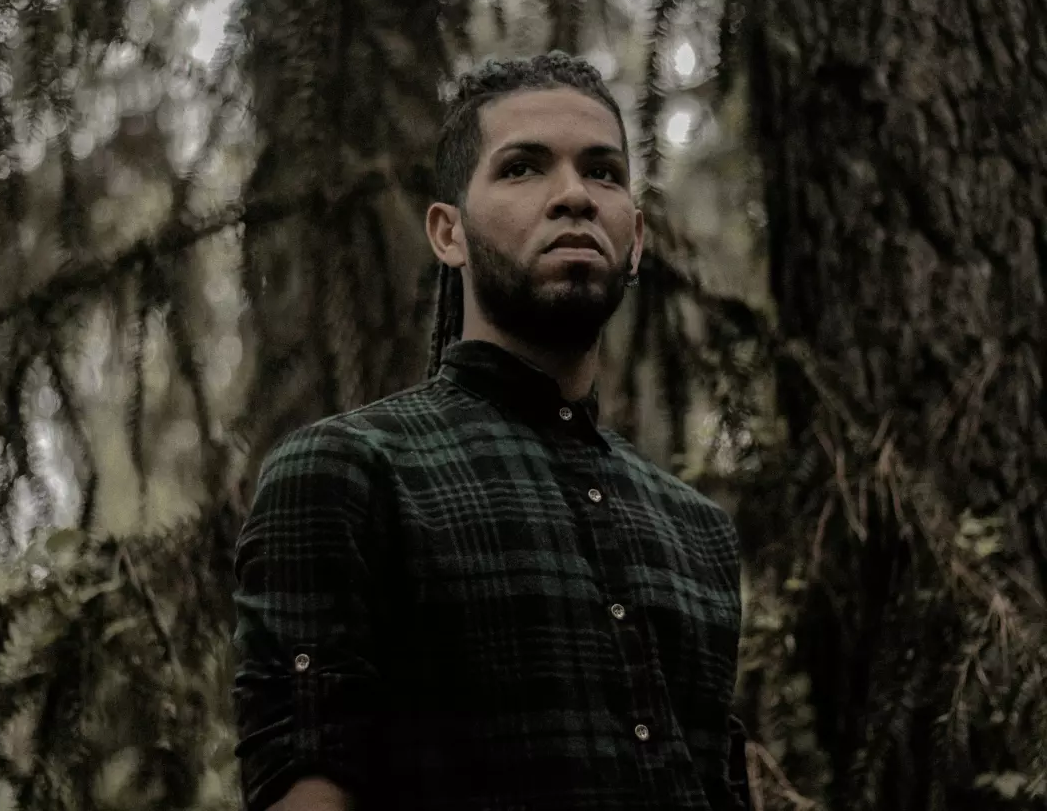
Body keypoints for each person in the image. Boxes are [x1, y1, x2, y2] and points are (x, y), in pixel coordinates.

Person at [233, 52, 750, 811]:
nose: (574, 195)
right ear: (448, 233)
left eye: (603, 172)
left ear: (635, 239)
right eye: (523, 168)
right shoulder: (347, 473)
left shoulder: (699, 532)